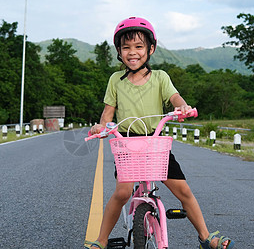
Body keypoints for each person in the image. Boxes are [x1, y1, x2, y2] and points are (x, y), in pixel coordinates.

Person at [87, 17, 234, 249]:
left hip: (155, 143)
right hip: (127, 143)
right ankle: (101, 240)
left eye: (138, 47)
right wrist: (101, 126)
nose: (132, 53)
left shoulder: (160, 77)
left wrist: (182, 106)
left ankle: (206, 237)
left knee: (183, 191)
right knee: (122, 193)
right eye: (126, 48)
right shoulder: (116, 80)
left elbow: (174, 97)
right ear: (119, 51)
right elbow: (108, 113)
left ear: (150, 49)